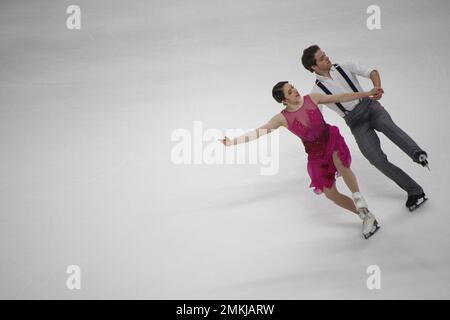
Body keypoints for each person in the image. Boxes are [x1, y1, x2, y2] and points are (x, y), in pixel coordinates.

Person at [219, 82, 382, 239]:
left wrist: (367, 93)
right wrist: (233, 142)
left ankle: (358, 197)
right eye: (290, 92)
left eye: (293, 87)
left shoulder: (313, 98)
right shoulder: (281, 119)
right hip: (315, 154)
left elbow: (342, 96)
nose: (295, 91)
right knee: (330, 194)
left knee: (339, 160)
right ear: (284, 101)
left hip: (330, 139)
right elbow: (258, 132)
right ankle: (365, 215)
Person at [301, 45, 428, 211]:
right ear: (314, 67)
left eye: (325, 54)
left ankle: (417, 153)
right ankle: (414, 191)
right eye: (322, 58)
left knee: (389, 127)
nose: (327, 58)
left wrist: (377, 87)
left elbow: (372, 72)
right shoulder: (316, 91)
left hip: (370, 107)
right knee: (375, 158)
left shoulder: (344, 66)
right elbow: (317, 118)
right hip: (355, 122)